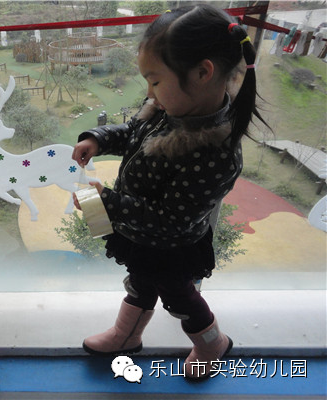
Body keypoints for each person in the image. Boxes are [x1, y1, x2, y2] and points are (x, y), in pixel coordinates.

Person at [72, 4, 268, 380]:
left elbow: (171, 221)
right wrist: (98, 139)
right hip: (141, 235)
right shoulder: (170, 108)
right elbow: (133, 133)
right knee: (140, 283)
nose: (149, 92)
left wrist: (105, 203)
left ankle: (212, 343)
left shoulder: (214, 153)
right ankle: (126, 335)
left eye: (155, 81)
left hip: (171, 247)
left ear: (202, 73)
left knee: (180, 297)